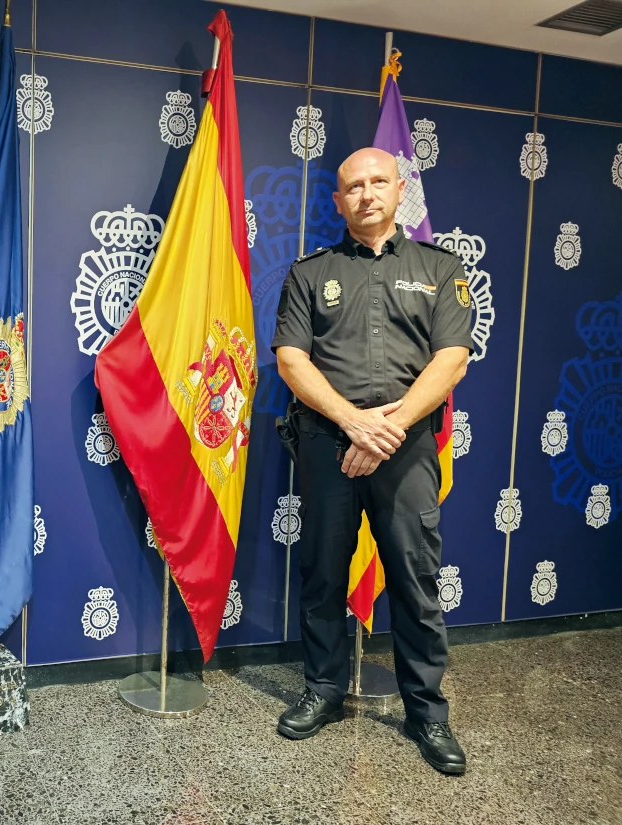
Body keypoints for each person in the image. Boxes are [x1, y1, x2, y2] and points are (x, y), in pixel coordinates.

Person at [271, 147, 472, 776]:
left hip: (407, 449)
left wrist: (388, 426)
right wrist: (354, 422)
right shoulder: (311, 273)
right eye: (353, 187)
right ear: (338, 201)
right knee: (323, 573)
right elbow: (291, 360)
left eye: (378, 181)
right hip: (327, 444)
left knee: (415, 578)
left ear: (399, 188)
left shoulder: (440, 268)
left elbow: (452, 359)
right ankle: (323, 690)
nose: (366, 194)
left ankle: (427, 714)